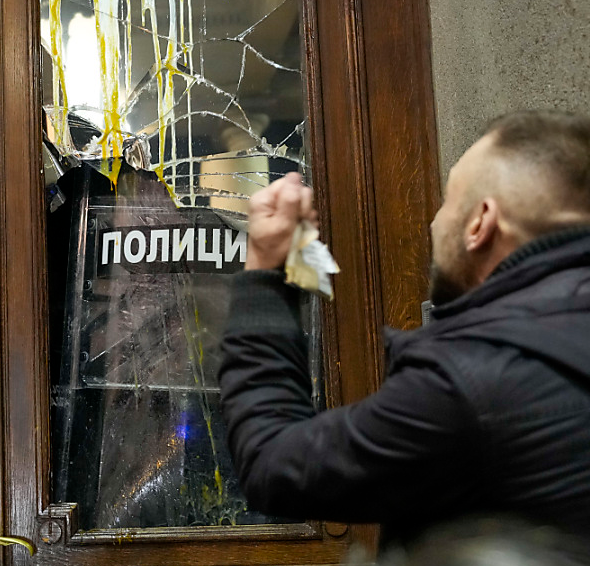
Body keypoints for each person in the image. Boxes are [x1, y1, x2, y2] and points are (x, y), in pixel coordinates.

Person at [219, 110, 590, 545]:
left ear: (480, 223)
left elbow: (272, 464)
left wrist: (265, 270)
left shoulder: (469, 382)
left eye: (448, 202)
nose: (435, 222)